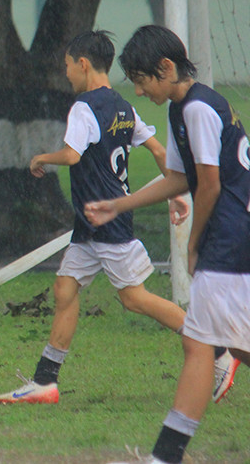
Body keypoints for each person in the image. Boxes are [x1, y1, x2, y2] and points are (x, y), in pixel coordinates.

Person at [0, 30, 238, 405]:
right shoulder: (123, 106)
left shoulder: (83, 107)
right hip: (93, 224)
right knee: (65, 288)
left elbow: (73, 156)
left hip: (106, 223)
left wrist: (42, 158)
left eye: (67, 67)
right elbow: (157, 149)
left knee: (135, 299)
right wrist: (176, 193)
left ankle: (218, 350)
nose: (66, 75)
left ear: (83, 64)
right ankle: (45, 382)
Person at [85, 25, 250, 464]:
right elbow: (179, 179)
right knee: (229, 345)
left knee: (200, 345)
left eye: (141, 80)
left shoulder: (196, 109)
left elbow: (210, 184)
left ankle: (165, 457)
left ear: (166, 68)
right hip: (233, 233)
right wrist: (118, 205)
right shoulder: (184, 109)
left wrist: (193, 244)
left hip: (231, 234)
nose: (138, 91)